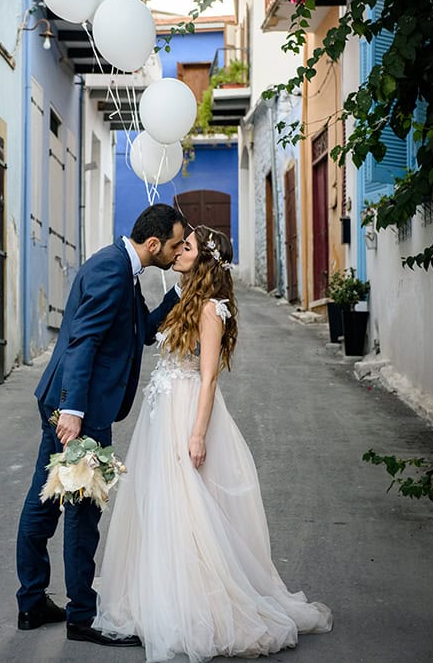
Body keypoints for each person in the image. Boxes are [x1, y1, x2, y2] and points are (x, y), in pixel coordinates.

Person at [93, 225, 333, 662]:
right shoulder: (183, 300)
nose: (178, 251)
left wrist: (198, 433)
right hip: (159, 416)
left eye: (186, 248)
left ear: (203, 260)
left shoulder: (210, 310)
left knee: (189, 510)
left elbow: (208, 377)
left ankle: (197, 604)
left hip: (187, 413)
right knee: (160, 507)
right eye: (179, 245)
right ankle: (160, 592)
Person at [15, 203, 186, 646]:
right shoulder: (113, 269)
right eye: (173, 245)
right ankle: (82, 618)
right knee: (81, 511)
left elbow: (140, 332)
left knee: (47, 501)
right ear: (153, 244)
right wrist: (72, 412)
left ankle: (32, 602)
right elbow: (83, 340)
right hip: (80, 408)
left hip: (73, 403)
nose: (176, 252)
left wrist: (176, 299)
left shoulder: (123, 269)